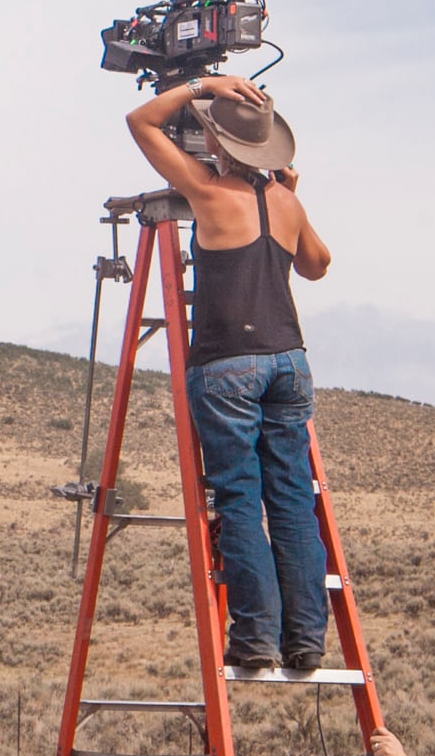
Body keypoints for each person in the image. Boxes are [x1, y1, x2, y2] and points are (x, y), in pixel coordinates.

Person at [126, 74, 334, 672]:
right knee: (291, 500)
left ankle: (256, 638)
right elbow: (318, 265)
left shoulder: (207, 191)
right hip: (289, 359)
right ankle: (305, 639)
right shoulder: (286, 201)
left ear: (218, 143)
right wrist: (291, 198)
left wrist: (201, 84)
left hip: (227, 364)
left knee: (240, 498)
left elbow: (140, 121)